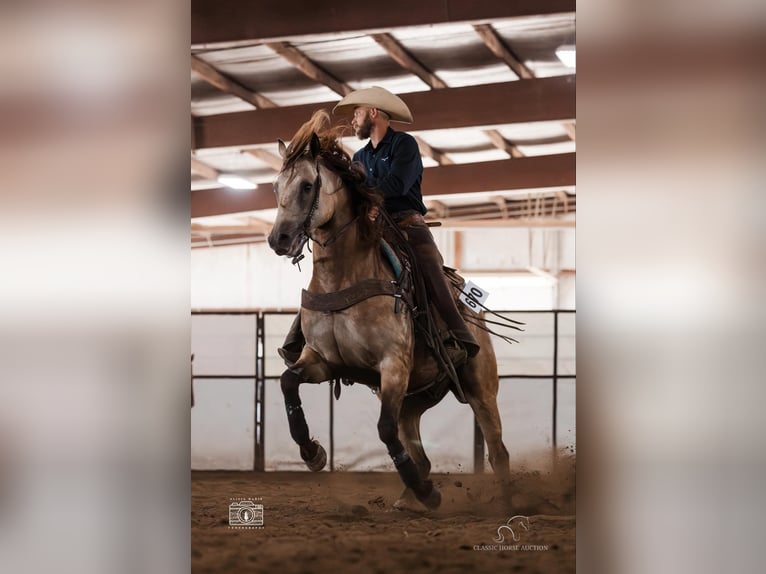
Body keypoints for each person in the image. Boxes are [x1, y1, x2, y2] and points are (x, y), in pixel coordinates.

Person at [279, 86, 479, 368]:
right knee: (329, 266)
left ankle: (459, 333)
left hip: (407, 222)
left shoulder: (404, 145)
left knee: (430, 264)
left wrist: (370, 197)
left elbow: (399, 183)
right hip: (370, 225)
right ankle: (299, 336)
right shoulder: (360, 157)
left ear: (373, 113)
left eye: (357, 113)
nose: (353, 120)